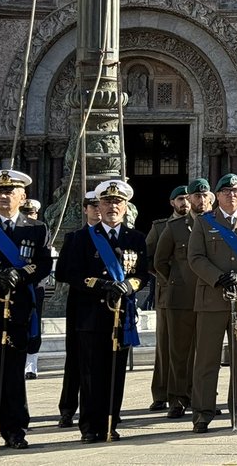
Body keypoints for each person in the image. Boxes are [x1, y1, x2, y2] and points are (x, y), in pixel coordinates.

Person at [59, 179, 147, 443]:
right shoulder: (81, 238)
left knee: (115, 372)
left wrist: (128, 286)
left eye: (117, 202)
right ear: (99, 205)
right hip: (91, 315)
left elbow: (142, 274)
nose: (112, 207)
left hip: (121, 316)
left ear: (125, 206)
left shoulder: (135, 238)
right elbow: (68, 272)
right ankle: (90, 426)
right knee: (90, 373)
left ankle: (111, 422)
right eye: (107, 202)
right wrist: (101, 285)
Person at [187, 173, 237, 432]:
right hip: (212, 299)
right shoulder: (204, 222)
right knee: (206, 359)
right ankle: (202, 413)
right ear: (217, 196)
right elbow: (195, 257)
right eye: (226, 191)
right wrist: (218, 278)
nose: (231, 195)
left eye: (236, 191)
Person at [0, 167, 51, 448]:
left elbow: (44, 264)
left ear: (22, 196)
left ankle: (14, 430)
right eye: (0, 191)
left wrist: (21, 274)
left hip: (18, 310)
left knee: (12, 374)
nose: (3, 196)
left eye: (10, 191)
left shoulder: (36, 228)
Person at [153, 178, 210, 419]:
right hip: (180, 298)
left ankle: (202, 397)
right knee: (179, 352)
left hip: (209, 298)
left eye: (204, 195)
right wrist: (176, 281)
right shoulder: (175, 227)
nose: (200, 200)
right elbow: (158, 261)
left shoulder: (217, 225)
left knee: (205, 353)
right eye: (195, 196)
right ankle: (176, 399)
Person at [57, 190, 100, 428]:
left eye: (99, 205)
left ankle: (99, 409)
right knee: (74, 359)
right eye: (92, 206)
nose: (97, 210)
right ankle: (67, 408)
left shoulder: (115, 237)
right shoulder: (74, 238)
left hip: (106, 305)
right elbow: (62, 272)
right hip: (81, 304)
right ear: (85, 210)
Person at [146, 187, 189, 409]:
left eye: (188, 198)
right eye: (180, 199)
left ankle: (191, 392)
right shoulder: (160, 227)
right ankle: (161, 392)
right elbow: (149, 259)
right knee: (165, 346)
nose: (185, 202)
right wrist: (169, 279)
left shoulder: (200, 224)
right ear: (172, 202)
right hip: (167, 294)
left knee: (192, 347)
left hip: (193, 294)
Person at [18, 197, 46, 381]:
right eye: (25, 212)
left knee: (34, 322)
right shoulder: (15, 228)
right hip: (15, 284)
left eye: (32, 213)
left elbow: (43, 259)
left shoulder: (40, 229)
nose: (29, 216)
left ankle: (31, 364)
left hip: (34, 284)